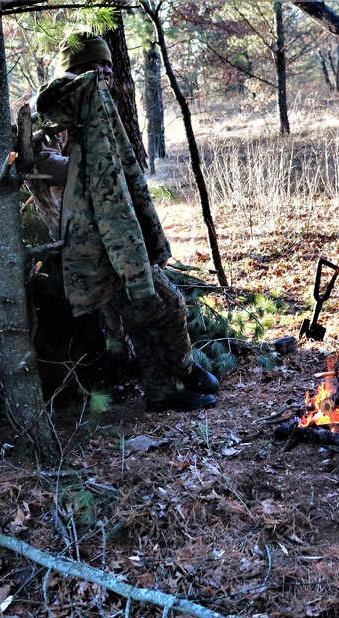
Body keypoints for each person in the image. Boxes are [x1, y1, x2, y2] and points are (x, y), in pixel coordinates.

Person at [33, 33, 219, 412]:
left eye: (106, 65)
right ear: (72, 70)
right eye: (90, 65)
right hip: (85, 244)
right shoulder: (57, 110)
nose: (101, 71)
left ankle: (165, 389)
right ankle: (178, 374)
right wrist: (91, 173)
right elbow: (34, 159)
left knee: (153, 307)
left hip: (115, 237)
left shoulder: (98, 107)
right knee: (156, 304)